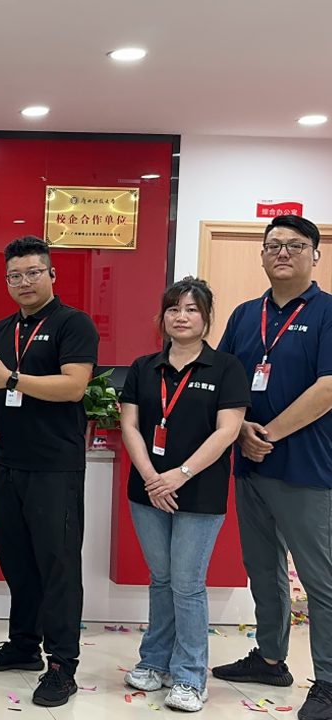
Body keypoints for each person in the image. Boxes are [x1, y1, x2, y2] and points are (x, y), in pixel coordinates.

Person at [212, 215, 332, 720]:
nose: (283, 252)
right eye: (274, 245)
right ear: (262, 255)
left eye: (295, 245)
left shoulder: (327, 312)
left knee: (320, 580)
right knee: (262, 568)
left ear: (315, 255)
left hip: (307, 468)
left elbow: (328, 387)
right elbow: (223, 380)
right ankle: (269, 658)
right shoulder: (245, 314)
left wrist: (268, 435)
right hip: (249, 466)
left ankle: (328, 682)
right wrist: (241, 430)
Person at [0, 236, 99, 708]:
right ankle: (23, 645)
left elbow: (73, 386)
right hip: (8, 463)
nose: (24, 282)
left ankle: (62, 666)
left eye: (33, 273)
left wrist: (12, 378)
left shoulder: (73, 323)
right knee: (18, 563)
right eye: (15, 275)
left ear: (51, 275)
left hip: (54, 466)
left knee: (58, 566)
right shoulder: (3, 328)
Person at [119, 278, 249, 712]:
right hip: (148, 491)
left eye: (192, 309)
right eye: (174, 308)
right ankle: (155, 662)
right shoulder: (144, 367)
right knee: (161, 579)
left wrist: (179, 474)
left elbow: (227, 430)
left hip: (199, 492)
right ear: (162, 317)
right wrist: (152, 477)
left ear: (207, 318)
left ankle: (191, 677)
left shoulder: (226, 367)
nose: (182, 316)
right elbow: (130, 425)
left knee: (188, 585)